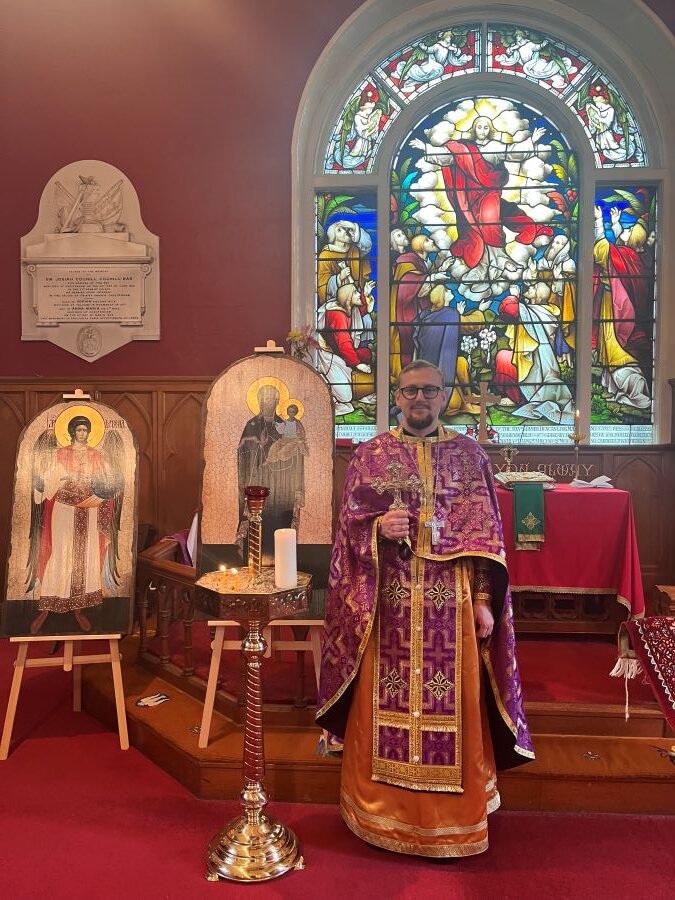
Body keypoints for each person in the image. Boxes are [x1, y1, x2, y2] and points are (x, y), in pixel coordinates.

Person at [317, 360, 533, 857]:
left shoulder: (469, 455)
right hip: (388, 602)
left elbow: (486, 540)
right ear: (397, 396)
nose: (420, 399)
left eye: (430, 390)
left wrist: (484, 601)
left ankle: (453, 820)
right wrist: (377, 529)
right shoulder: (371, 455)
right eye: (411, 390)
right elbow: (347, 531)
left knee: (456, 705)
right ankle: (380, 812)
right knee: (383, 702)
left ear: (443, 395)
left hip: (452, 604)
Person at [27, 415, 123, 635]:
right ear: (72, 432)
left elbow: (108, 481)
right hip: (64, 509)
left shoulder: (97, 455)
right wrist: (40, 482)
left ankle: (79, 609)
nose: (82, 433)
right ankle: (48, 605)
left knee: (86, 555)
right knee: (61, 553)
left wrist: (109, 487)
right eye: (78, 430)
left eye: (85, 430)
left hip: (90, 509)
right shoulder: (60, 454)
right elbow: (48, 480)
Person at [236, 385, 305, 562]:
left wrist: (292, 448)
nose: (266, 402)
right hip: (257, 481)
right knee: (257, 520)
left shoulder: (284, 425)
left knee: (280, 522)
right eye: (263, 398)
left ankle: (281, 561)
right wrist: (256, 443)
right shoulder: (252, 424)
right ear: (259, 401)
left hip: (281, 484)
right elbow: (242, 452)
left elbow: (295, 453)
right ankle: (253, 561)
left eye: (270, 398)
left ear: (276, 401)